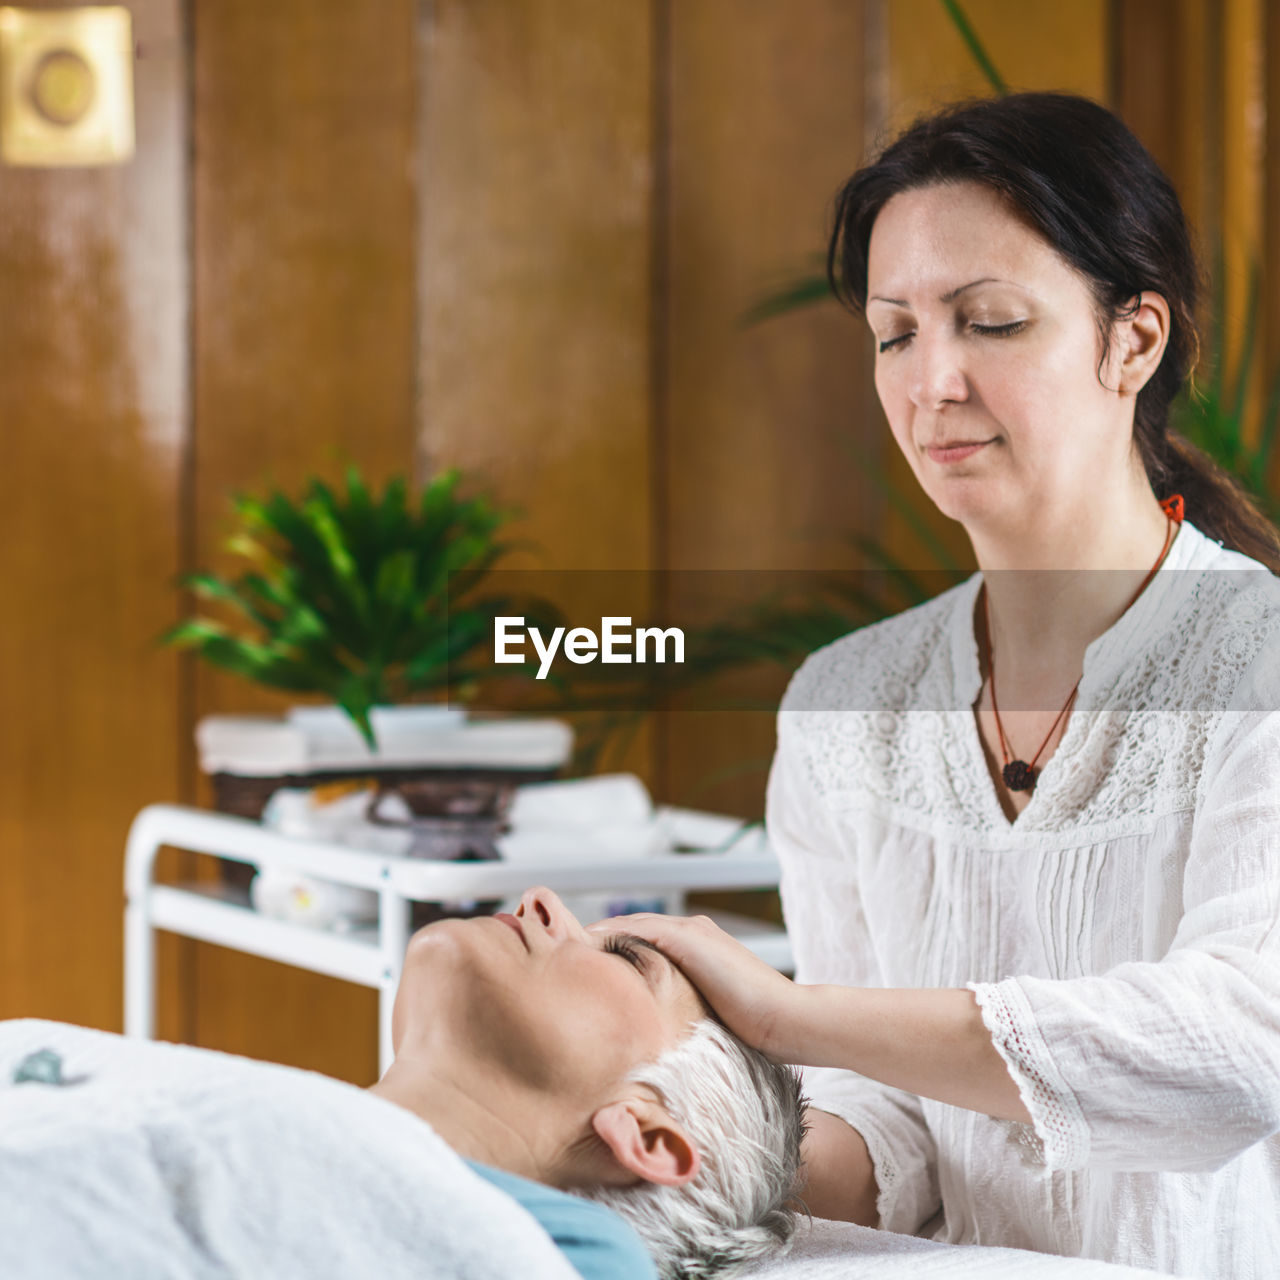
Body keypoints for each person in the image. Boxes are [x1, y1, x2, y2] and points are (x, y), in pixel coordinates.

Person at [593, 91, 1280, 1278]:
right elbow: (883, 1112)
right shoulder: (840, 702)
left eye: (990, 321)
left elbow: (1238, 1047)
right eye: (894, 331)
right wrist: (681, 1164)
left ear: (1134, 339)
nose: (931, 381)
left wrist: (783, 1014)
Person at [0, 886, 805, 1280]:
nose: (542, 901)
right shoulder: (232, 1105)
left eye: (624, 959)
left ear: (647, 1137)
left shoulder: (562, 1255)